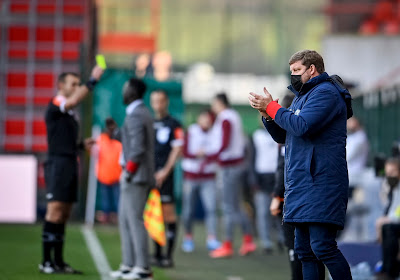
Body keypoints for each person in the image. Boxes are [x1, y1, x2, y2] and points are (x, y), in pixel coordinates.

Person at [249, 49, 352, 279]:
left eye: (297, 70)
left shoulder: (326, 93)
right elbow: (284, 135)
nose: (293, 76)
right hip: (302, 183)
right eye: (291, 71)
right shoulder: (302, 96)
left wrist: (274, 108)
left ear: (312, 69)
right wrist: (267, 114)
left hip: (321, 182)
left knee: (323, 247)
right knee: (305, 252)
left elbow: (302, 126)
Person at [40, 66, 103, 274]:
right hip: (58, 164)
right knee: (54, 211)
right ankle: (46, 262)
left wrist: (80, 145)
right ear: (61, 86)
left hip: (69, 161)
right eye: (73, 84)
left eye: (78, 84)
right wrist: (92, 80)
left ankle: (58, 261)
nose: (76, 88)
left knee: (64, 213)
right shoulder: (57, 102)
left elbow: (61, 139)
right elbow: (74, 100)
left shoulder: (69, 112)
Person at [269, 92, 325, 280]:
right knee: (313, 249)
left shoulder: (293, 135)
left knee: (299, 248)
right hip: (308, 195)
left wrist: (277, 196)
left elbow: (284, 168)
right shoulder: (304, 132)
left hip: (296, 197)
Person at [110, 78, 154, 280]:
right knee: (126, 220)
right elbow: (131, 140)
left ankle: (142, 267)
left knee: (134, 220)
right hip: (134, 174)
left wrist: (128, 171)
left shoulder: (137, 114)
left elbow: (137, 149)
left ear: (133, 92)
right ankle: (129, 265)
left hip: (135, 176)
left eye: (125, 88)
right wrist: (115, 133)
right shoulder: (138, 113)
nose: (123, 91)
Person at [208, 93, 257, 258]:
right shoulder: (233, 115)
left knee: (229, 207)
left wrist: (212, 157)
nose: (213, 107)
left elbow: (224, 142)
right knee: (236, 205)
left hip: (229, 166)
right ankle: (248, 240)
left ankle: (228, 244)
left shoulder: (225, 117)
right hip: (236, 164)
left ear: (220, 102)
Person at [150, 90, 184, 267]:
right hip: (150, 176)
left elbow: (177, 149)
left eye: (161, 101)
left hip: (165, 177)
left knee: (168, 214)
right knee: (154, 214)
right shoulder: (149, 122)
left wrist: (164, 171)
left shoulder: (174, 124)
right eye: (154, 101)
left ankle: (168, 256)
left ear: (166, 102)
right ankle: (156, 254)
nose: (158, 104)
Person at [181, 110, 221, 253]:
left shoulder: (215, 133)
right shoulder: (191, 131)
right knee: (188, 210)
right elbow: (184, 151)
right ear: (198, 119)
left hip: (208, 177)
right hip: (191, 177)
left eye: (208, 119)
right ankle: (188, 237)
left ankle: (212, 238)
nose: (206, 121)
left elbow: (217, 153)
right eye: (203, 118)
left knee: (211, 209)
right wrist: (197, 155)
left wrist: (206, 155)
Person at [248, 121, 279, 254]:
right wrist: (253, 179)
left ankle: (281, 238)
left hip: (277, 177)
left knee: (279, 211)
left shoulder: (281, 133)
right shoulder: (256, 136)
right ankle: (266, 241)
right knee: (262, 212)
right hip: (261, 178)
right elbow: (251, 158)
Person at [93, 118, 122, 224]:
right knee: (106, 198)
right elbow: (95, 153)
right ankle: (107, 216)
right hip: (104, 174)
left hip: (116, 175)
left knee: (117, 198)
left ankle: (117, 216)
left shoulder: (118, 139)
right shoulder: (101, 139)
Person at [376, 158, 400, 280]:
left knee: (388, 227)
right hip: (395, 222)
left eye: (392, 172)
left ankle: (391, 270)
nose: (389, 176)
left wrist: (388, 219)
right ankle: (386, 268)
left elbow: (397, 211)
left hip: (396, 223)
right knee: (385, 227)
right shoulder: (392, 188)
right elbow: (389, 208)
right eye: (387, 173)